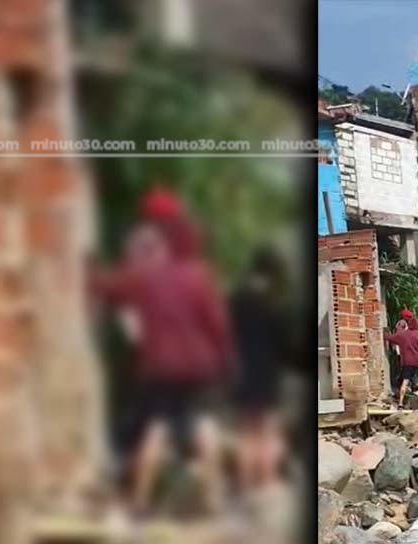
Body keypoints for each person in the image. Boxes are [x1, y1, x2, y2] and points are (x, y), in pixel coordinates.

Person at [92, 188, 233, 516]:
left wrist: (87, 274)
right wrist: (226, 362)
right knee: (203, 426)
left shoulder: (146, 275)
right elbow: (218, 325)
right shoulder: (199, 275)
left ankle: (139, 502)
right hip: (198, 365)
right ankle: (214, 499)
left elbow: (108, 287)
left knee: (157, 428)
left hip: (160, 366)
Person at [229, 246, 290, 493]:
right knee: (269, 428)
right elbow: (286, 346)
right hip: (268, 373)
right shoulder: (276, 307)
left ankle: (245, 482)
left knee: (245, 430)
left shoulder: (235, 302)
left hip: (241, 371)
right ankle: (266, 482)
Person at [384, 311, 418, 408]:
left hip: (407, 362)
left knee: (405, 381)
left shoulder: (403, 334)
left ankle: (400, 403)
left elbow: (390, 338)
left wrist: (385, 332)